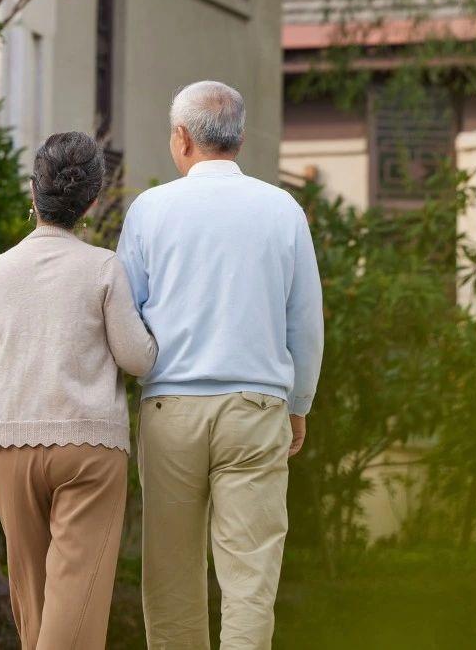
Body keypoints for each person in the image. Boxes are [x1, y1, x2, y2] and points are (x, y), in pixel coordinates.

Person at [117, 80, 324, 650]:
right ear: (239, 138)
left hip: (170, 409)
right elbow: (304, 322)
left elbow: (122, 319)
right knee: (250, 577)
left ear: (182, 138)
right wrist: (299, 405)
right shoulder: (282, 210)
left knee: (172, 575)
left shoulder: (149, 210)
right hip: (257, 408)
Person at [0, 131, 157, 650]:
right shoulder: (103, 267)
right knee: (75, 598)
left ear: (33, 193)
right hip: (88, 445)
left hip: (8, 442)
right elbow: (135, 357)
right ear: (92, 203)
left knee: (31, 600)